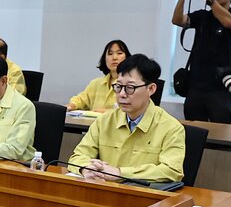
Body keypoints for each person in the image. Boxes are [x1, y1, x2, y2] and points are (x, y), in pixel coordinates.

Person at [67, 53, 185, 183]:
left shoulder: (171, 128)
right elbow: (78, 156)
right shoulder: (104, 121)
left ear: (151, 89)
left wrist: (119, 173)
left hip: (144, 199)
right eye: (118, 87)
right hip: (105, 194)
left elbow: (172, 170)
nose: (122, 94)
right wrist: (86, 169)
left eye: (130, 88)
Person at [172, 0, 231, 123]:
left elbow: (228, 23)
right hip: (196, 84)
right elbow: (177, 20)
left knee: (222, 134)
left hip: (220, 86)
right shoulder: (202, 15)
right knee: (194, 131)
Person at [68, 39, 130, 113]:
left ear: (127, 58)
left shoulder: (130, 85)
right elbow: (81, 100)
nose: (114, 57)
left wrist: (107, 112)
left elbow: (131, 110)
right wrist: (72, 105)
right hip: (94, 124)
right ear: (104, 58)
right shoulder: (96, 83)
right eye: (110, 54)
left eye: (119, 53)